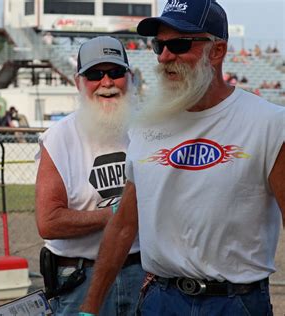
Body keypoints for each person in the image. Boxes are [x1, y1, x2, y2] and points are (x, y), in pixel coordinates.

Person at [81, 1, 284, 315]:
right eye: (159, 45)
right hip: (161, 298)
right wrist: (89, 307)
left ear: (217, 51)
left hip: (235, 302)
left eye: (178, 44)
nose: (165, 57)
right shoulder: (147, 125)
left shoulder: (268, 122)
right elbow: (123, 225)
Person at [36, 36, 145, 316]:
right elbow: (49, 223)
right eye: (95, 74)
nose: (106, 82)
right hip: (80, 277)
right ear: (79, 82)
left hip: (142, 273)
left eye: (115, 72)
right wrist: (118, 214)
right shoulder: (60, 137)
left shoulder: (149, 130)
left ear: (129, 77)